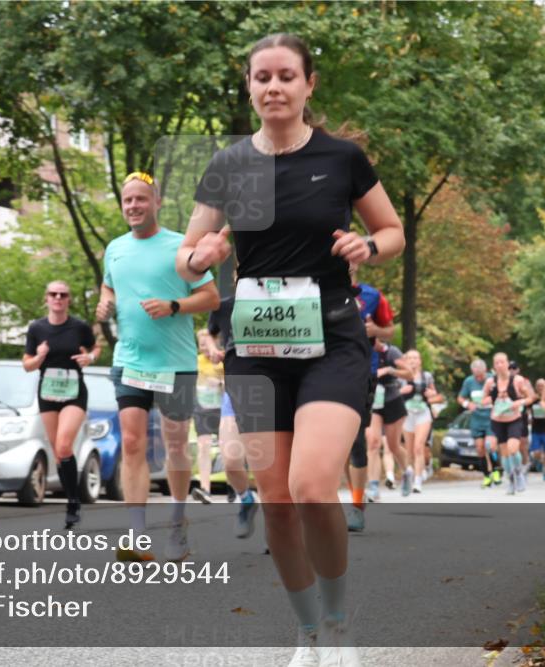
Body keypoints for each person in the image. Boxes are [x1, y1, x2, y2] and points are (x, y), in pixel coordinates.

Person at [177, 32, 404, 665]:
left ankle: (337, 624)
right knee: (274, 499)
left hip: (331, 339)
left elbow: (391, 229)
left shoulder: (341, 158)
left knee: (310, 486)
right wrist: (205, 255)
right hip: (254, 346)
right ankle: (306, 631)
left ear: (308, 86)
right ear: (249, 88)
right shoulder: (228, 166)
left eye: (285, 76)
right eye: (261, 77)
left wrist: (370, 247)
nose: (273, 87)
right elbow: (187, 256)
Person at [97, 171, 220, 563]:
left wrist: (174, 306)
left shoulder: (180, 248)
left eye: (140, 199)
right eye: (127, 200)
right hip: (130, 360)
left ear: (157, 202)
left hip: (175, 363)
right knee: (132, 443)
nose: (133, 206)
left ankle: (179, 523)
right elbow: (110, 284)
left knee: (174, 445)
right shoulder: (114, 248)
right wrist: (106, 302)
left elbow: (212, 297)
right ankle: (136, 536)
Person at [23, 280, 100, 528]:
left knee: (65, 444)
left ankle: (73, 502)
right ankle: (72, 499)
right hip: (48, 393)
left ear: (69, 299)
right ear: (46, 298)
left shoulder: (79, 327)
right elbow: (27, 365)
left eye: (63, 294)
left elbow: (95, 347)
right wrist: (40, 356)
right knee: (58, 451)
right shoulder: (37, 328)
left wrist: (90, 357)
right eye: (53, 294)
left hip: (74, 392)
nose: (58, 298)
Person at [343, 281, 395, 529]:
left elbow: (389, 331)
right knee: (334, 443)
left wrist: (375, 329)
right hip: (321, 371)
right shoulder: (313, 286)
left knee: (354, 439)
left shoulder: (373, 295)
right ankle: (351, 497)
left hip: (363, 372)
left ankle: (355, 505)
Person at [208, 292, 260, 538]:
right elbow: (209, 333)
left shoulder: (284, 297)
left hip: (274, 387)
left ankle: (280, 527)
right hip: (236, 386)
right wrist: (212, 348)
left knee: (269, 467)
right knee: (230, 460)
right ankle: (246, 499)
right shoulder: (224, 305)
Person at [364, 338, 411, 500]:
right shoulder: (363, 351)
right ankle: (374, 486)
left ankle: (407, 472)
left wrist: (391, 370)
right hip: (373, 400)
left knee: (393, 445)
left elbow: (409, 373)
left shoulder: (392, 352)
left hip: (392, 399)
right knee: (373, 443)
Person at [482, 353, 535, 495]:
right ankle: (510, 479)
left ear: (507, 364)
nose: (499, 365)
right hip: (497, 420)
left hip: (514, 419)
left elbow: (530, 397)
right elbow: (483, 399)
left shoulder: (517, 380)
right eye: (496, 363)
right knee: (503, 453)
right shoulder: (490, 382)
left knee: (513, 449)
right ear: (494, 366)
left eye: (502, 362)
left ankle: (518, 473)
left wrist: (519, 402)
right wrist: (489, 400)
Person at [399, 350, 443, 495]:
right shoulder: (400, 377)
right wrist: (401, 391)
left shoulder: (427, 376)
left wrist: (432, 395)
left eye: (415, 358)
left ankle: (418, 481)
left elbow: (437, 397)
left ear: (420, 361)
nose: (412, 360)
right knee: (409, 450)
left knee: (419, 447)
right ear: (405, 361)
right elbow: (392, 395)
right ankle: (409, 475)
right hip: (406, 414)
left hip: (423, 414)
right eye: (410, 358)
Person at [192, 328, 225, 503]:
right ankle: (206, 489)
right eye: (201, 344)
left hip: (222, 410)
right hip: (202, 410)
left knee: (227, 448)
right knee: (203, 447)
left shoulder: (222, 361)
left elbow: (235, 386)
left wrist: (220, 382)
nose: (203, 347)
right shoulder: (196, 361)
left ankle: (234, 488)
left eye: (206, 344)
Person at [458, 359, 500, 489]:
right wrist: (467, 404)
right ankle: (487, 475)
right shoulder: (469, 381)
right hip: (476, 418)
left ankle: (496, 471)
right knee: (480, 448)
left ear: (485, 370)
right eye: (476, 375)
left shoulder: (493, 380)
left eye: (481, 375)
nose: (479, 378)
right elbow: (460, 397)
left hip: (491, 417)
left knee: (490, 446)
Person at [529, 379, 545, 479]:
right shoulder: (533, 399)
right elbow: (528, 410)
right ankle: (539, 462)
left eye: (542, 385)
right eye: (538, 385)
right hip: (535, 429)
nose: (540, 387)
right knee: (536, 452)